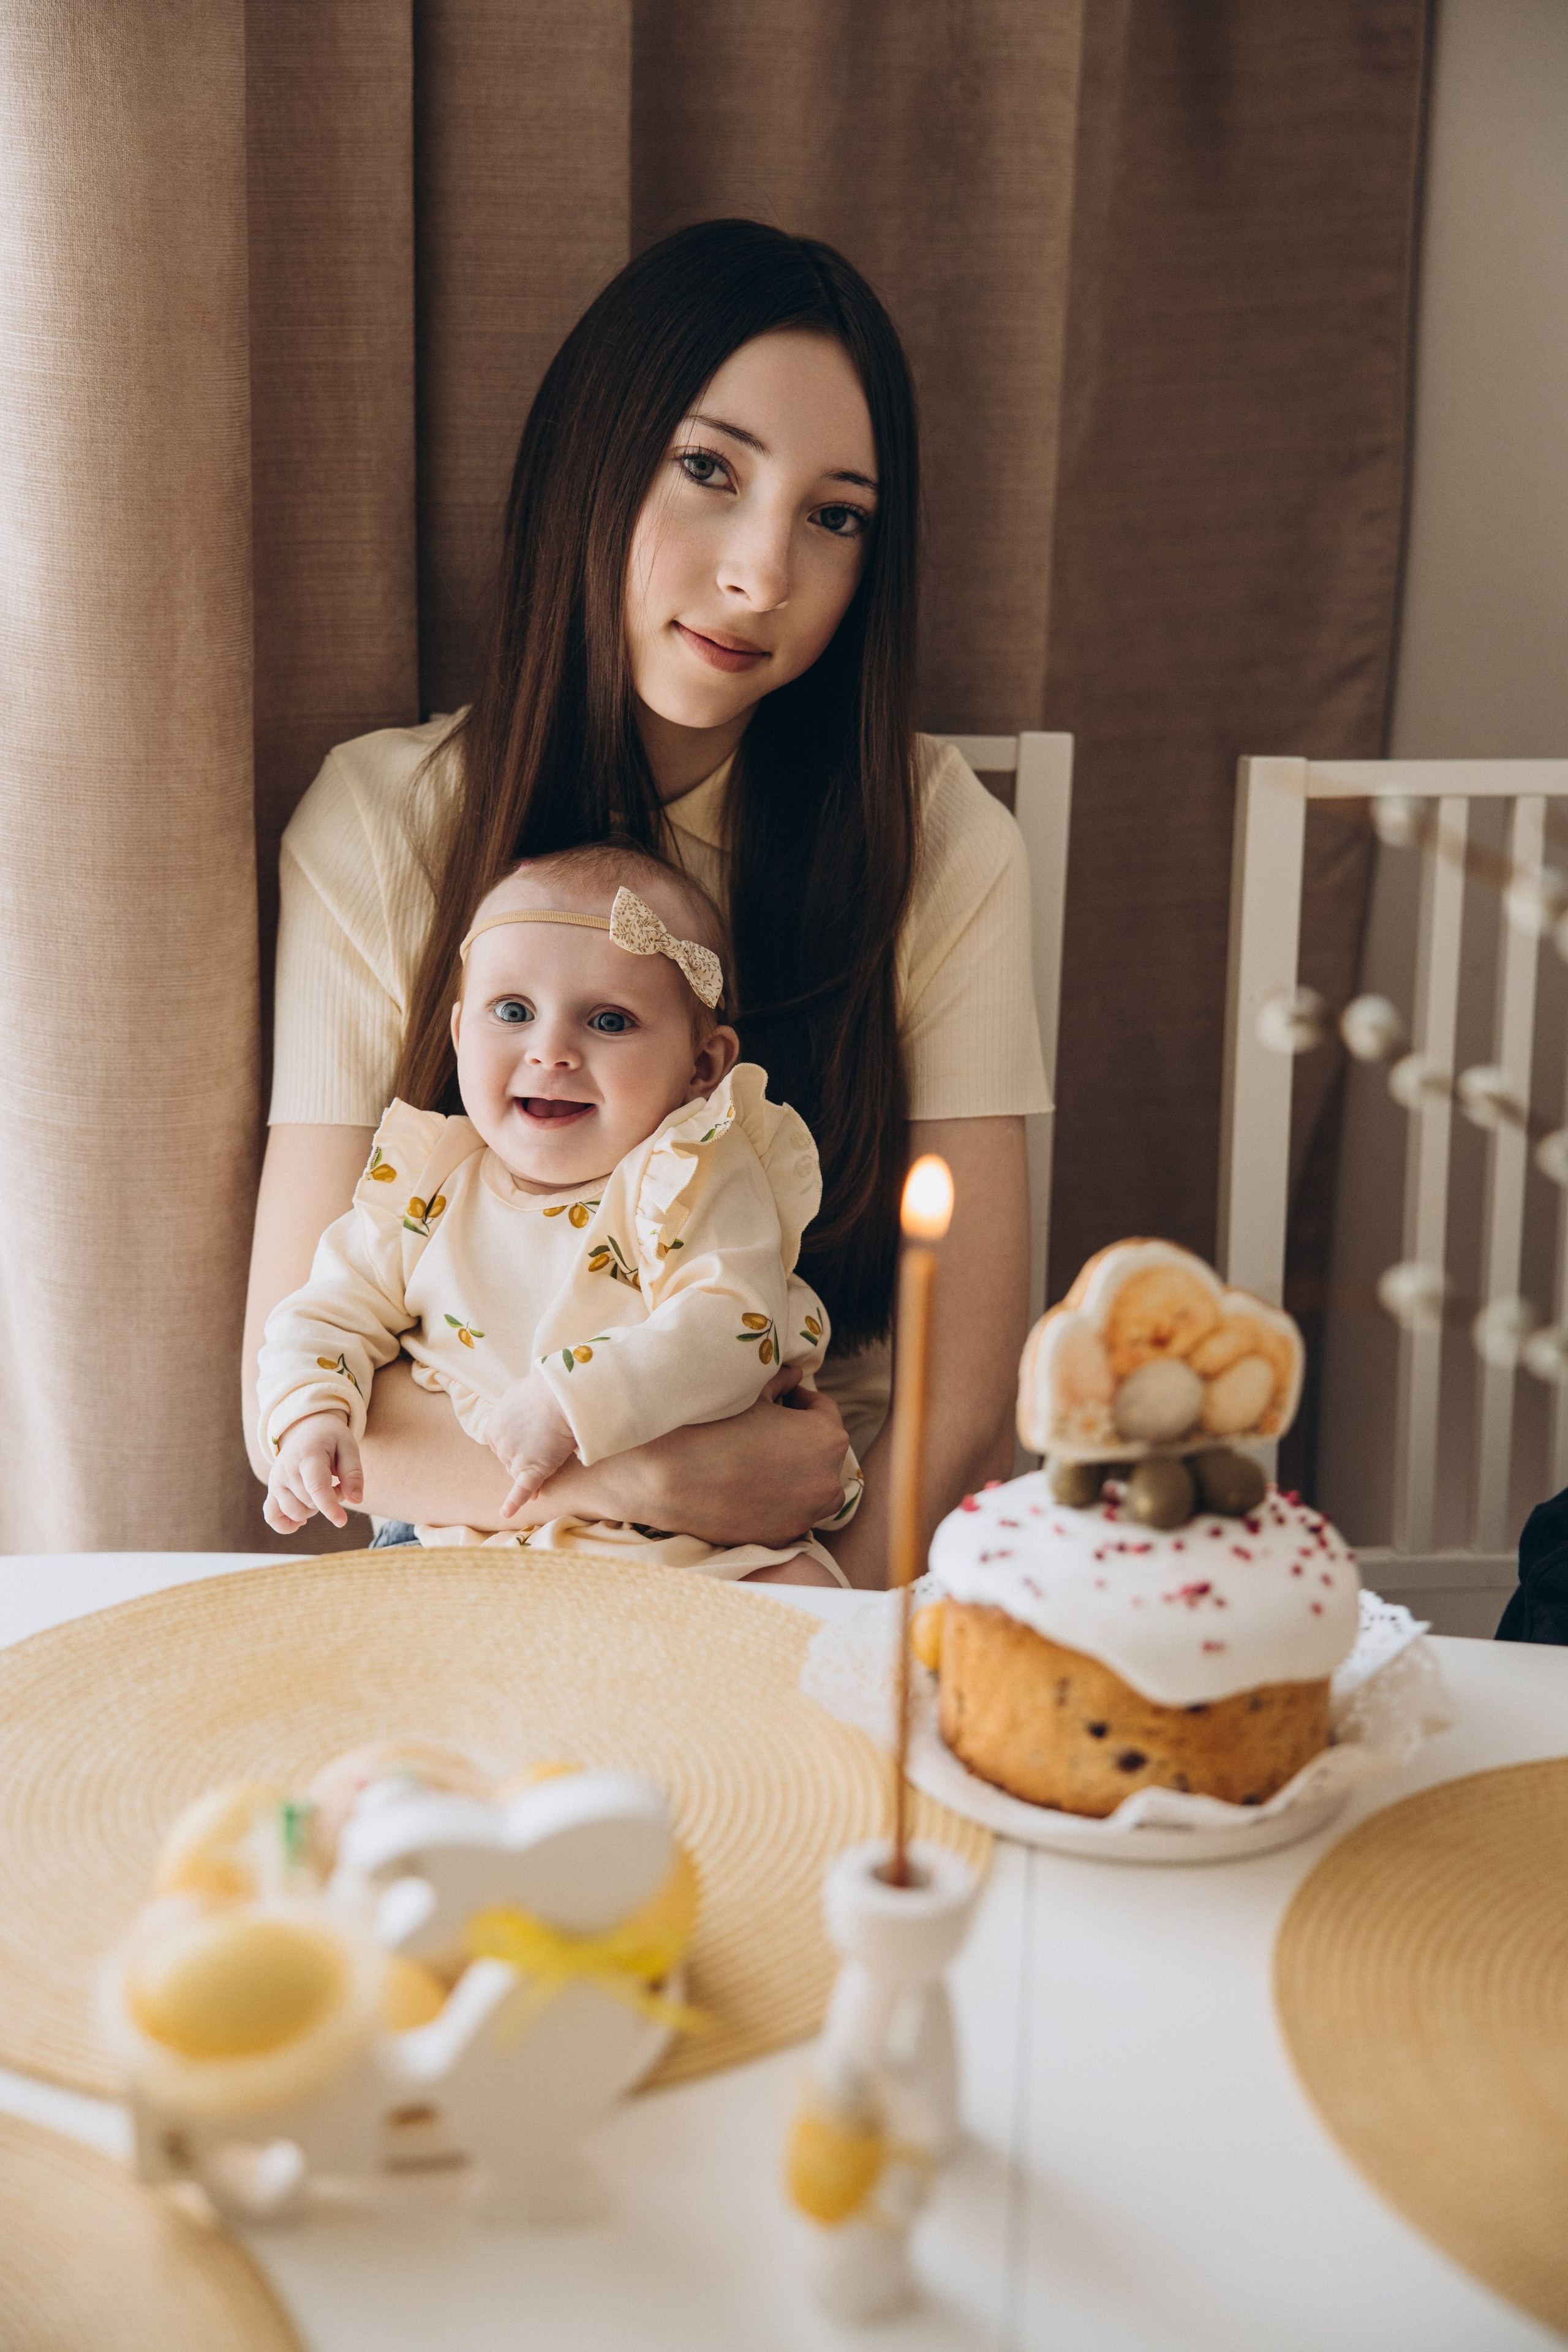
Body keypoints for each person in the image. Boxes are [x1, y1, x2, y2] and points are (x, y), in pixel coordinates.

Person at [243, 217, 1048, 1588]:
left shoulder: (932, 835)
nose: (761, 575)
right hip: (460, 1564)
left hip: (819, 1561)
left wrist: (819, 1599)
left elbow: (961, 1405)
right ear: (590, 459)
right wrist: (671, 1480)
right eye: (705, 471)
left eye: (834, 516)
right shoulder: (380, 823)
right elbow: (303, 1401)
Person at [258, 842, 858, 1580]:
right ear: (457, 1036)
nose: (551, 1050)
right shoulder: (425, 1189)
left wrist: (572, 1398)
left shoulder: (690, 1173)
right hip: (455, 1539)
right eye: (512, 1011)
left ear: (703, 1067)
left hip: (690, 1550)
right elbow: (321, 1315)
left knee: (812, 1605)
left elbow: (732, 1325)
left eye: (608, 1021)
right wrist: (312, 1415)